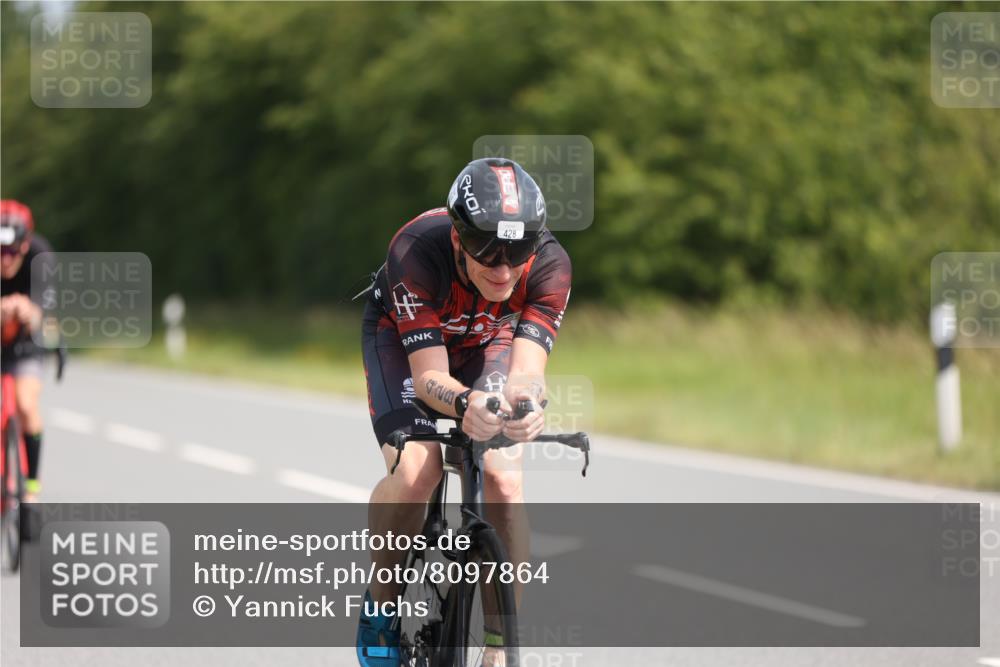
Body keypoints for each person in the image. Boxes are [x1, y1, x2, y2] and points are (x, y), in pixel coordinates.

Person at [357, 158, 572, 666]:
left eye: (516, 252)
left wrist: (527, 405)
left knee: (503, 478)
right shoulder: (415, 251)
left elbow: (528, 371)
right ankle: (382, 609)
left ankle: (500, 647)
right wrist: (462, 403)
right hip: (405, 342)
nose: (502, 269)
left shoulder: (550, 266)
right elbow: (430, 376)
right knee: (418, 470)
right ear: (458, 239)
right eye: (486, 250)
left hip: (486, 341)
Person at [0, 199, 53, 504]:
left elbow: (41, 312)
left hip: (25, 341)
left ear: (24, 246)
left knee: (25, 403)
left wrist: (24, 310)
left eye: (10, 252)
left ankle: (31, 483)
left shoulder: (40, 256)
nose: (5, 260)